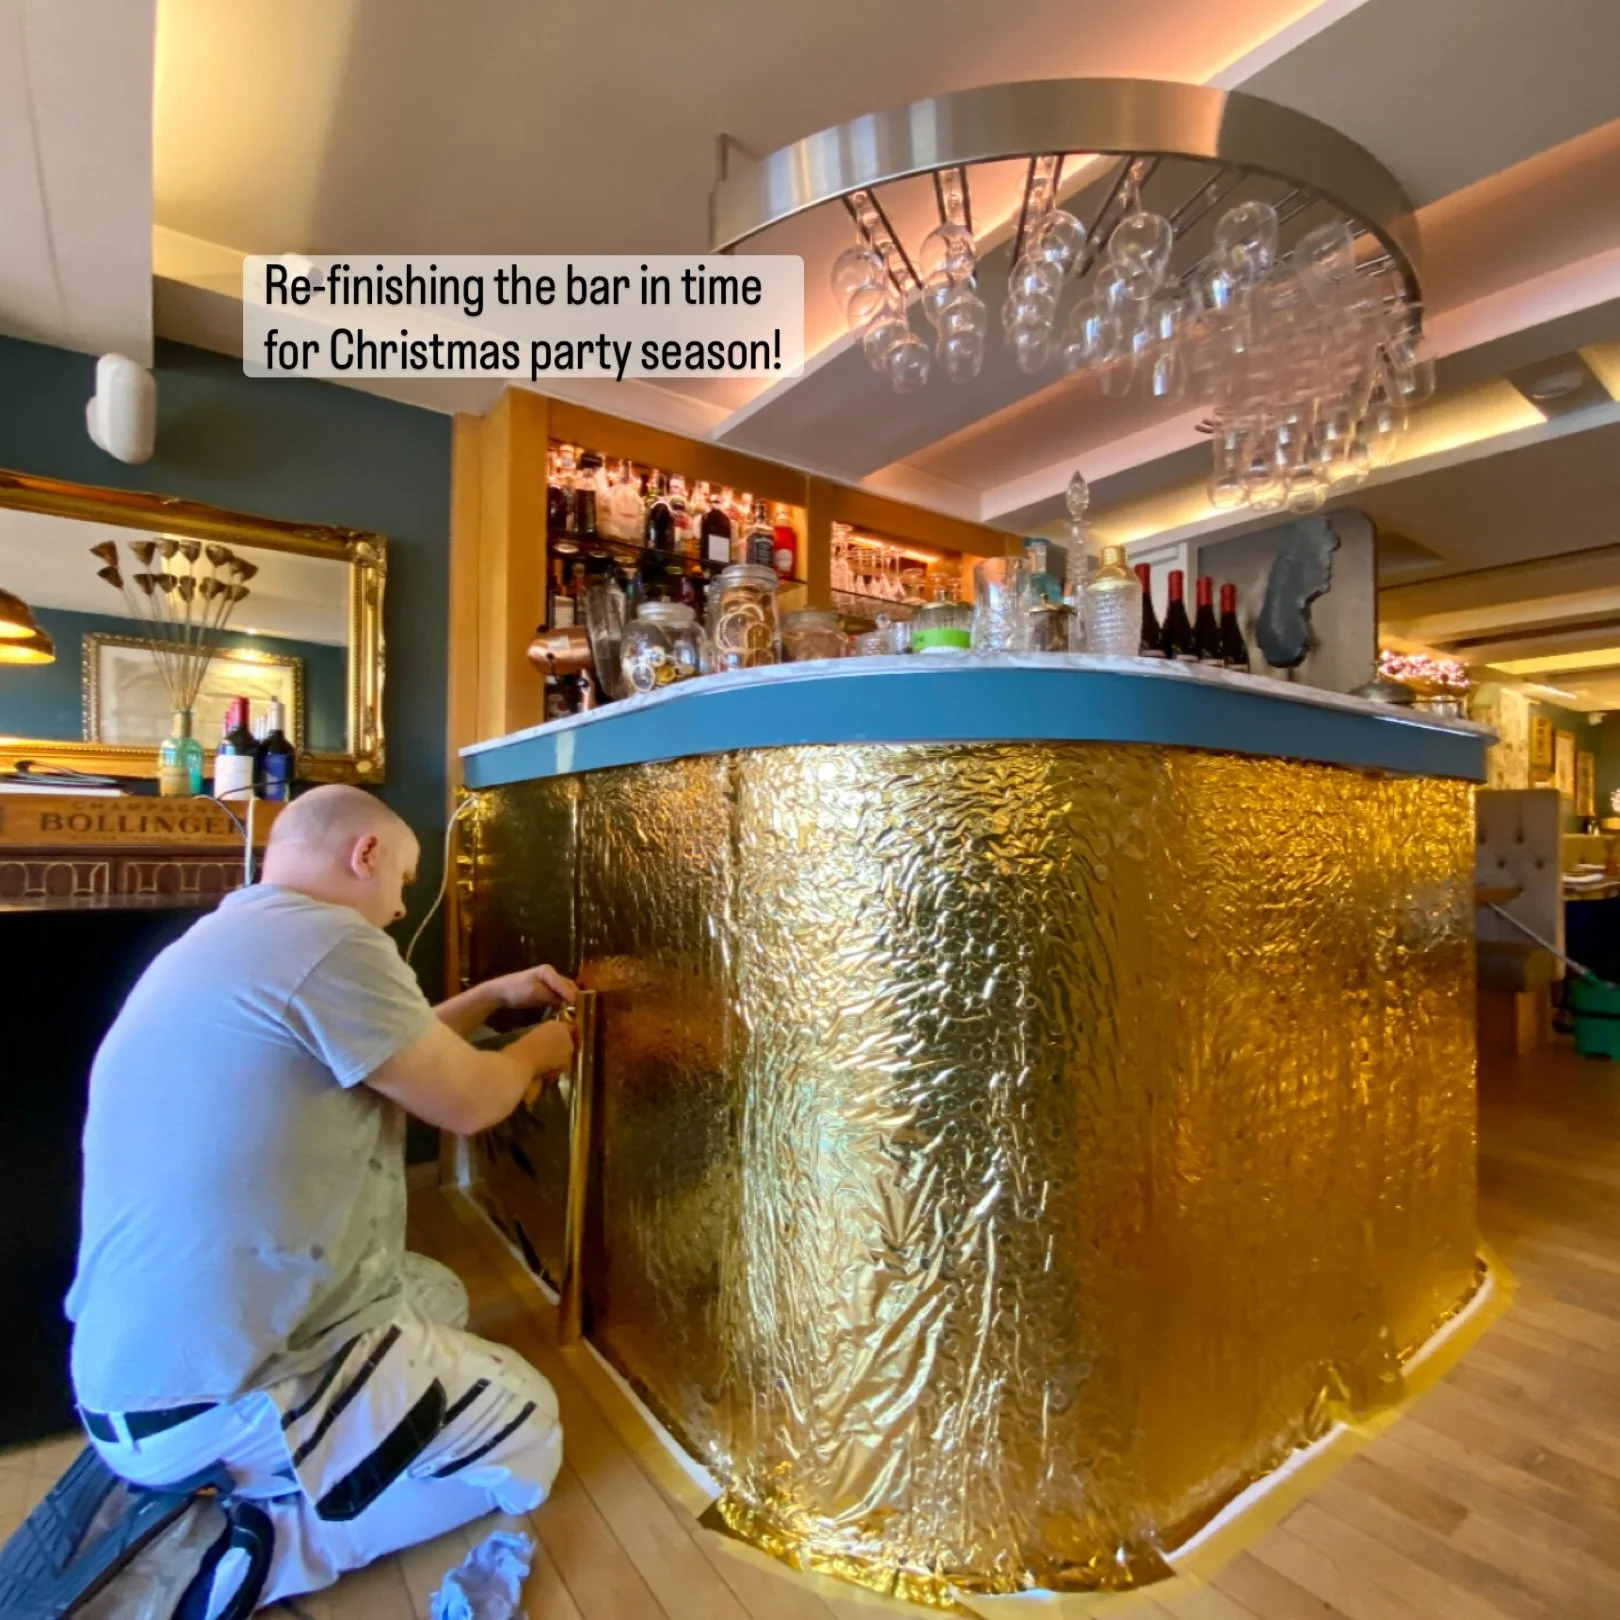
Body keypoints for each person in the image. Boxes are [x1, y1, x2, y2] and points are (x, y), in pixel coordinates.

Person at [66, 785, 576, 1612]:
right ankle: (276, 1551)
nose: (403, 902)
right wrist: (546, 1047)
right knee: (528, 1443)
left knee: (435, 1294)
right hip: (215, 1396)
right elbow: (469, 1101)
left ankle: (278, 1471)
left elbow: (385, 1054)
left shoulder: (236, 937)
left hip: (131, 1381)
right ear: (364, 855)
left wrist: (489, 1000)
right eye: (406, 880)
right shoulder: (331, 940)